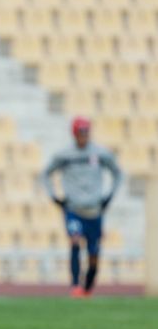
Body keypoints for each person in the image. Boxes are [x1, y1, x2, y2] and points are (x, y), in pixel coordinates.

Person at [42, 117, 122, 298]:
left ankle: (88, 286)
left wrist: (110, 195)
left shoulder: (100, 153)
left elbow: (118, 173)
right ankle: (75, 285)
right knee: (75, 240)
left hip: (94, 210)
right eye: (80, 132)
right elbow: (46, 174)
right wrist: (54, 196)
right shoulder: (65, 155)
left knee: (94, 253)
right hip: (73, 209)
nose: (83, 136)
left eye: (86, 132)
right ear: (74, 133)